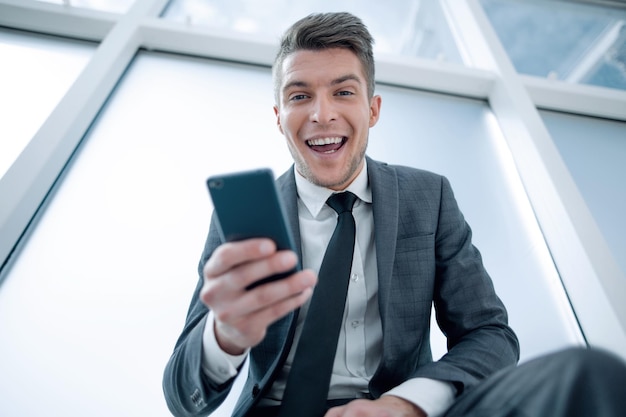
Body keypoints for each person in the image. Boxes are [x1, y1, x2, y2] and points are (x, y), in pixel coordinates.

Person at [163, 12, 626, 417]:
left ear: (373, 109)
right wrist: (223, 336)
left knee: (589, 374)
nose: (322, 114)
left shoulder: (430, 196)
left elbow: (489, 334)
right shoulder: (241, 220)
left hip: (401, 407)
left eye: (343, 92)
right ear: (278, 115)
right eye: (299, 96)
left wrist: (406, 404)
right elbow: (182, 396)